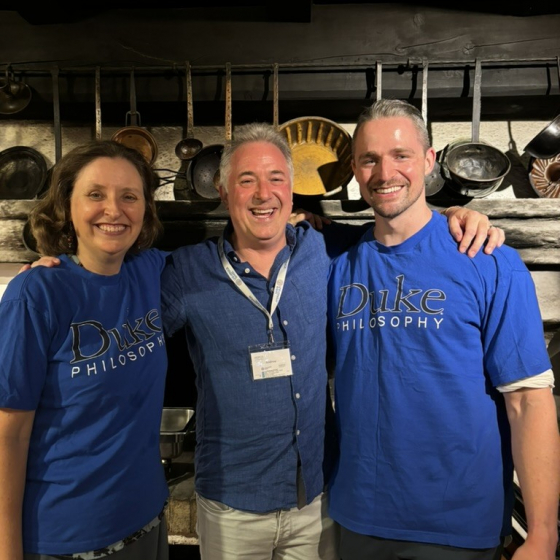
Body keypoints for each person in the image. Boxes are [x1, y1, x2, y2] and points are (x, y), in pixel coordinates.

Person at [159, 122, 505, 560]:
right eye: (246, 181)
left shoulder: (327, 248)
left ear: (291, 190)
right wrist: (66, 272)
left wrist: (458, 216)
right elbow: (122, 306)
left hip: (316, 502)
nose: (263, 194)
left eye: (276, 179)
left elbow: (401, 229)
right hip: (231, 504)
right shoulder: (185, 271)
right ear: (224, 192)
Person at [327, 99, 560, 560]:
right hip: (358, 519)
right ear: (354, 168)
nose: (384, 172)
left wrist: (543, 534)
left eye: (401, 155)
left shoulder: (489, 261)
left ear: (430, 160)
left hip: (458, 526)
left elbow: (528, 402)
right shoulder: (336, 263)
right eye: (369, 159)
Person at [0, 141, 169, 560]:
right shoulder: (36, 294)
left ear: (145, 209)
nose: (114, 210)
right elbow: (8, 435)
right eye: (95, 194)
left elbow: (229, 258)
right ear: (66, 206)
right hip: (68, 540)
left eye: (129, 196)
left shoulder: (147, 270)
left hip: (147, 523)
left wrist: (298, 224)